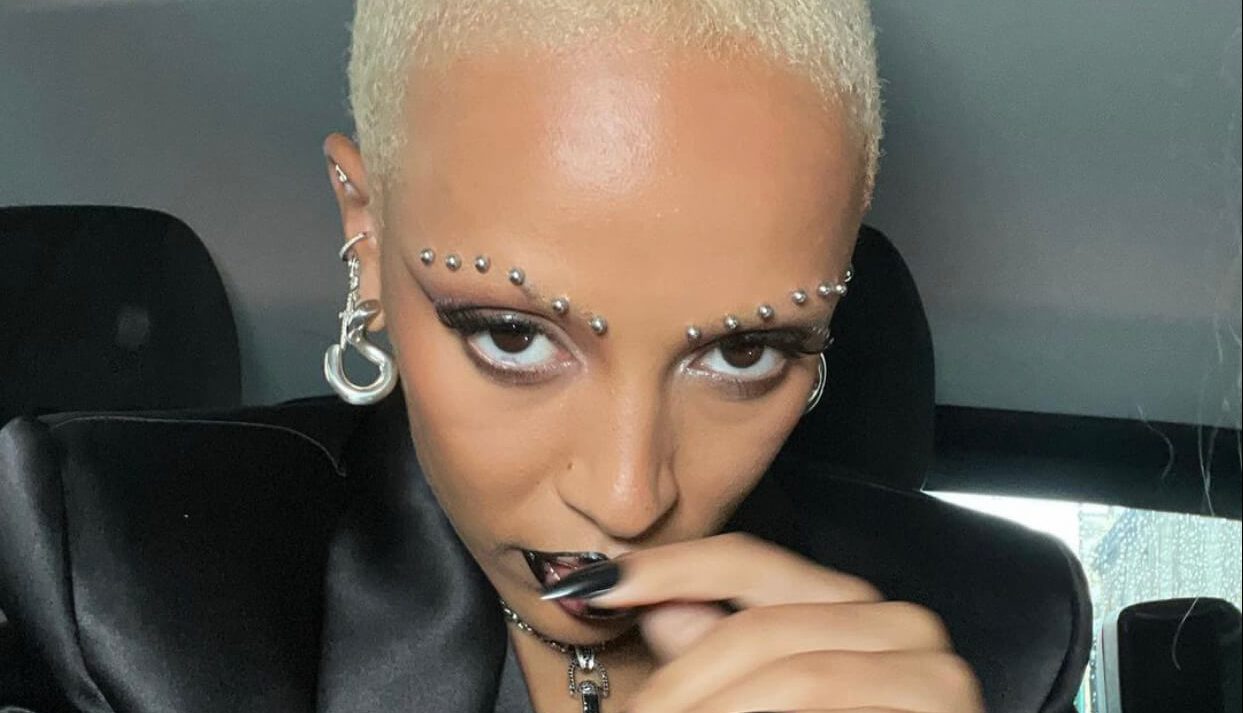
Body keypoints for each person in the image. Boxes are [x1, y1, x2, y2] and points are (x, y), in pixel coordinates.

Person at [0, 2, 1090, 712]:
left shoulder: (1002, 630)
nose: (626, 496)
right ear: (366, 232)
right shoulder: (126, 570)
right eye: (513, 334)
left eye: (746, 349)